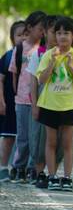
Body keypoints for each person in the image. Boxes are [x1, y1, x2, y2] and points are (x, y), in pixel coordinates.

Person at [36, 16, 73, 191]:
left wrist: (72, 68)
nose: (62, 36)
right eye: (59, 33)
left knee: (67, 143)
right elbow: (41, 79)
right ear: (54, 36)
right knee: (50, 142)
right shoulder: (48, 55)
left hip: (69, 105)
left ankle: (67, 177)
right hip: (50, 104)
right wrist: (51, 63)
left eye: (66, 33)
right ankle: (52, 176)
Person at [27, 15, 64, 188]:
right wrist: (34, 105)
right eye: (53, 32)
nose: (57, 36)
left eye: (60, 32)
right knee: (39, 138)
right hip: (42, 102)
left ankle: (53, 173)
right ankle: (39, 172)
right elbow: (33, 81)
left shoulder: (67, 55)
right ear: (45, 33)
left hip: (61, 103)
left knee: (59, 139)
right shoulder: (39, 54)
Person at [10, 11, 46, 183]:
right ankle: (19, 167)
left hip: (39, 100)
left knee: (35, 137)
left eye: (45, 29)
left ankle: (33, 168)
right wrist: (17, 93)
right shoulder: (19, 49)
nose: (43, 32)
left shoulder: (44, 50)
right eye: (40, 28)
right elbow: (14, 74)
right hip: (22, 100)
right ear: (30, 28)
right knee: (23, 137)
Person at [0, 21, 26, 181]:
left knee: (24, 138)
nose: (23, 38)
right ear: (12, 38)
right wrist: (1, 101)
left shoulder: (33, 57)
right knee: (8, 136)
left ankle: (20, 168)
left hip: (25, 103)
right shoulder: (8, 56)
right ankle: (3, 167)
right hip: (9, 103)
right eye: (19, 35)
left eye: (26, 34)